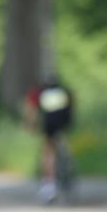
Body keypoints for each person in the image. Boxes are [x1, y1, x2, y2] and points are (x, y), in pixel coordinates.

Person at [25, 75, 74, 204]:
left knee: (48, 152)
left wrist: (31, 126)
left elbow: (32, 112)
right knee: (62, 141)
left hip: (49, 125)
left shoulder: (39, 92)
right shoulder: (64, 91)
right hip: (63, 123)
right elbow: (71, 108)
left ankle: (49, 186)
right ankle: (68, 161)